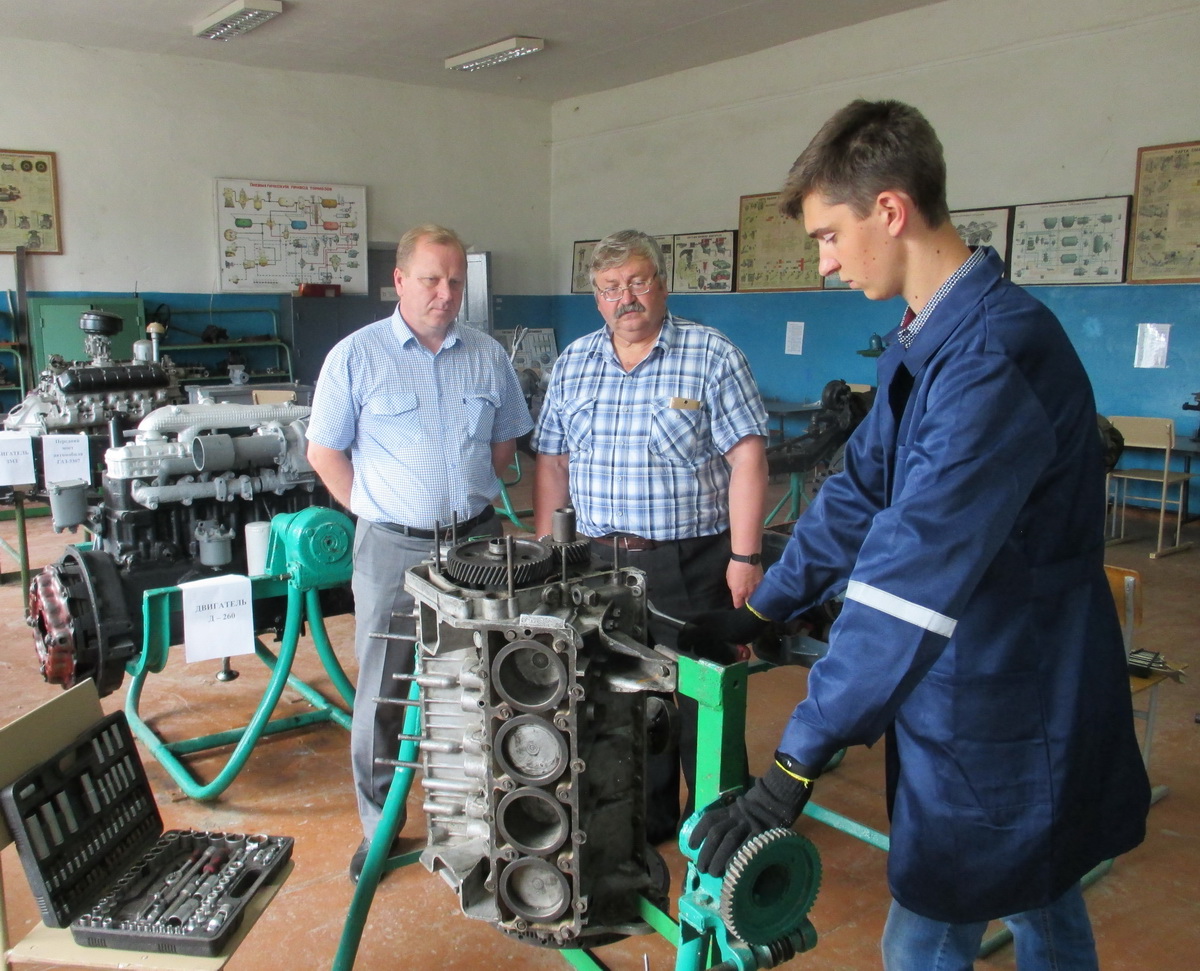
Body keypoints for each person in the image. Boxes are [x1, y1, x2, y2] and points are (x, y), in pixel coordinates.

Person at [681, 100, 1150, 970]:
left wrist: (795, 761)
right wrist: (767, 607)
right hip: (970, 674)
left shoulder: (991, 358)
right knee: (1041, 894)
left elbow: (908, 580)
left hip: (1015, 686)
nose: (824, 261)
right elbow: (862, 487)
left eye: (829, 235)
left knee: (932, 927)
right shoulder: (924, 337)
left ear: (891, 210)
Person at [306, 224, 532, 883]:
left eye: (455, 281)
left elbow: (503, 445)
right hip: (390, 548)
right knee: (384, 690)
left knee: (486, 680)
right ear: (400, 281)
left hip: (476, 546)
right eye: (431, 279)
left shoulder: (488, 356)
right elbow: (324, 451)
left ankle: (483, 815)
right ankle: (379, 827)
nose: (445, 293)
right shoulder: (356, 356)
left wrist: (463, 501)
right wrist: (376, 510)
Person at [532, 228, 769, 843]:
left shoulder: (711, 354)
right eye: (610, 288)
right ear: (596, 298)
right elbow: (552, 462)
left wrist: (746, 555)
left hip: (689, 563)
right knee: (621, 699)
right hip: (597, 566)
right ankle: (649, 820)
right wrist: (549, 554)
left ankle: (723, 826)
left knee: (703, 699)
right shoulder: (574, 362)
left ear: (662, 285)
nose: (626, 298)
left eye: (637, 282)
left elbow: (748, 459)